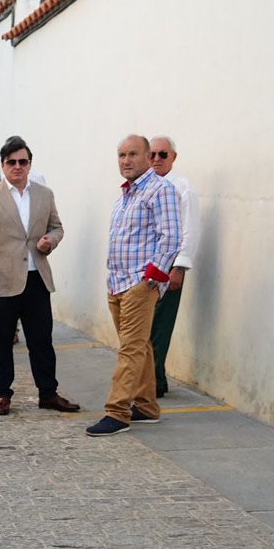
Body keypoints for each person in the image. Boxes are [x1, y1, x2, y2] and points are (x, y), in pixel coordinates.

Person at [0, 136, 80, 416]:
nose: (18, 167)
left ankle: (48, 393)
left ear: (30, 164)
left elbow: (57, 227)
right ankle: (3, 394)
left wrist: (50, 242)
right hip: (1, 282)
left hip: (36, 278)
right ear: (3, 165)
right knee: (2, 342)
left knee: (42, 340)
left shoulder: (44, 194)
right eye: (12, 162)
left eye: (23, 162)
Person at [85, 134, 183, 437]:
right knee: (140, 346)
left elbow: (172, 237)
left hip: (140, 283)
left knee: (129, 349)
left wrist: (151, 279)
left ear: (147, 156)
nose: (126, 160)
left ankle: (118, 412)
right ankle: (147, 406)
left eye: (132, 154)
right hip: (118, 282)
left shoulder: (160, 190)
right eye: (121, 155)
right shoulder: (127, 194)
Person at [148, 136, 199, 399]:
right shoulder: (144, 186)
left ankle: (154, 381)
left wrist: (179, 267)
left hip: (168, 269)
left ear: (173, 157)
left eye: (162, 154)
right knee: (144, 326)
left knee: (160, 327)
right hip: (145, 269)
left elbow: (190, 230)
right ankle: (153, 378)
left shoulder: (182, 188)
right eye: (152, 154)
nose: (156, 159)